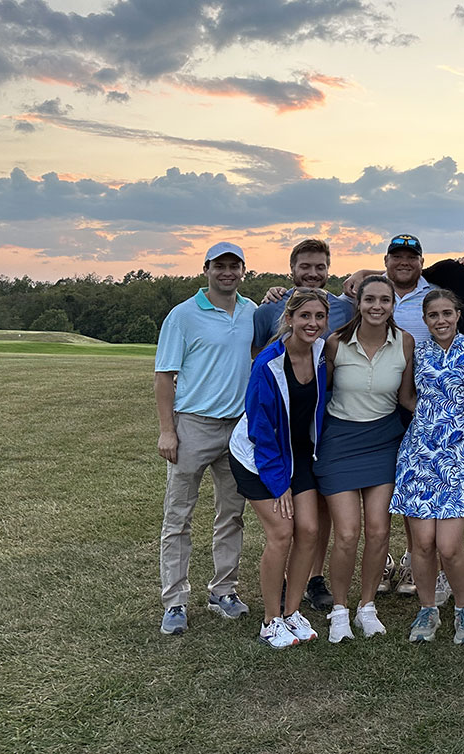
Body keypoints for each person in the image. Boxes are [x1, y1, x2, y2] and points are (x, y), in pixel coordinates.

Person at [347, 210, 464, 609]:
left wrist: (461, 411)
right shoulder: (438, 276)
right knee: (410, 498)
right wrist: (363, 271)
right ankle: (419, 570)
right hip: (410, 410)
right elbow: (405, 394)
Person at [154, 242, 256, 636]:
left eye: (234, 266)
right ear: (207, 269)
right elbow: (164, 375)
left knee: (231, 514)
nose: (227, 272)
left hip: (238, 427)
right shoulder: (183, 315)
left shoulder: (251, 313)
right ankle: (175, 600)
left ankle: (223, 591)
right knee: (178, 516)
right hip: (193, 424)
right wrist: (167, 429)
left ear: (243, 271)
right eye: (220, 266)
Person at [253, 238, 355, 613]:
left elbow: (381, 289)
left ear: (330, 269)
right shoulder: (267, 311)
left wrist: (357, 279)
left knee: (320, 509)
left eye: (320, 267)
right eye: (305, 266)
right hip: (282, 429)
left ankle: (313, 578)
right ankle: (280, 580)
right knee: (286, 515)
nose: (313, 273)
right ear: (291, 268)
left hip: (325, 424)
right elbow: (259, 366)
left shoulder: (345, 308)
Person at [315, 276, 415, 642]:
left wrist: (445, 415)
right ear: (358, 302)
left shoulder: (404, 342)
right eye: (370, 299)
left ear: (393, 305)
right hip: (339, 443)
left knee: (378, 530)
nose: (377, 306)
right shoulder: (335, 344)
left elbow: (406, 398)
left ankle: (367, 607)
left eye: (384, 300)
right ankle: (340, 610)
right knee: (346, 533)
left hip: (383, 441)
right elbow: (317, 398)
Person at [227, 288, 329, 648]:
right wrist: (278, 484)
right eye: (304, 316)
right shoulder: (267, 364)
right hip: (257, 458)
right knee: (282, 532)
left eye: (319, 317)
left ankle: (292, 612)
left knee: (310, 530)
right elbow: (261, 432)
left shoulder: (321, 356)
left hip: (297, 455)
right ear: (289, 319)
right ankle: (271, 619)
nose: (312, 323)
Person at [390, 289, 464, 644]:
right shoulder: (417, 352)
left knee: (449, 546)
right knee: (422, 543)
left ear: (457, 313)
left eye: (447, 313)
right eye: (433, 315)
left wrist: (456, 418)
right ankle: (428, 607)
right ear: (425, 320)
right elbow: (405, 396)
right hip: (420, 455)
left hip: (460, 455)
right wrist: (429, 417)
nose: (441, 320)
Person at [382, 234, 438, 597]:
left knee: (415, 486)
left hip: (421, 405)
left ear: (421, 261)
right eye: (397, 256)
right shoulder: (369, 292)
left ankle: (409, 560)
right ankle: (384, 562)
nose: (404, 262)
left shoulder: (432, 296)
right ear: (386, 260)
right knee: (383, 485)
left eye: (411, 257)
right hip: (379, 404)